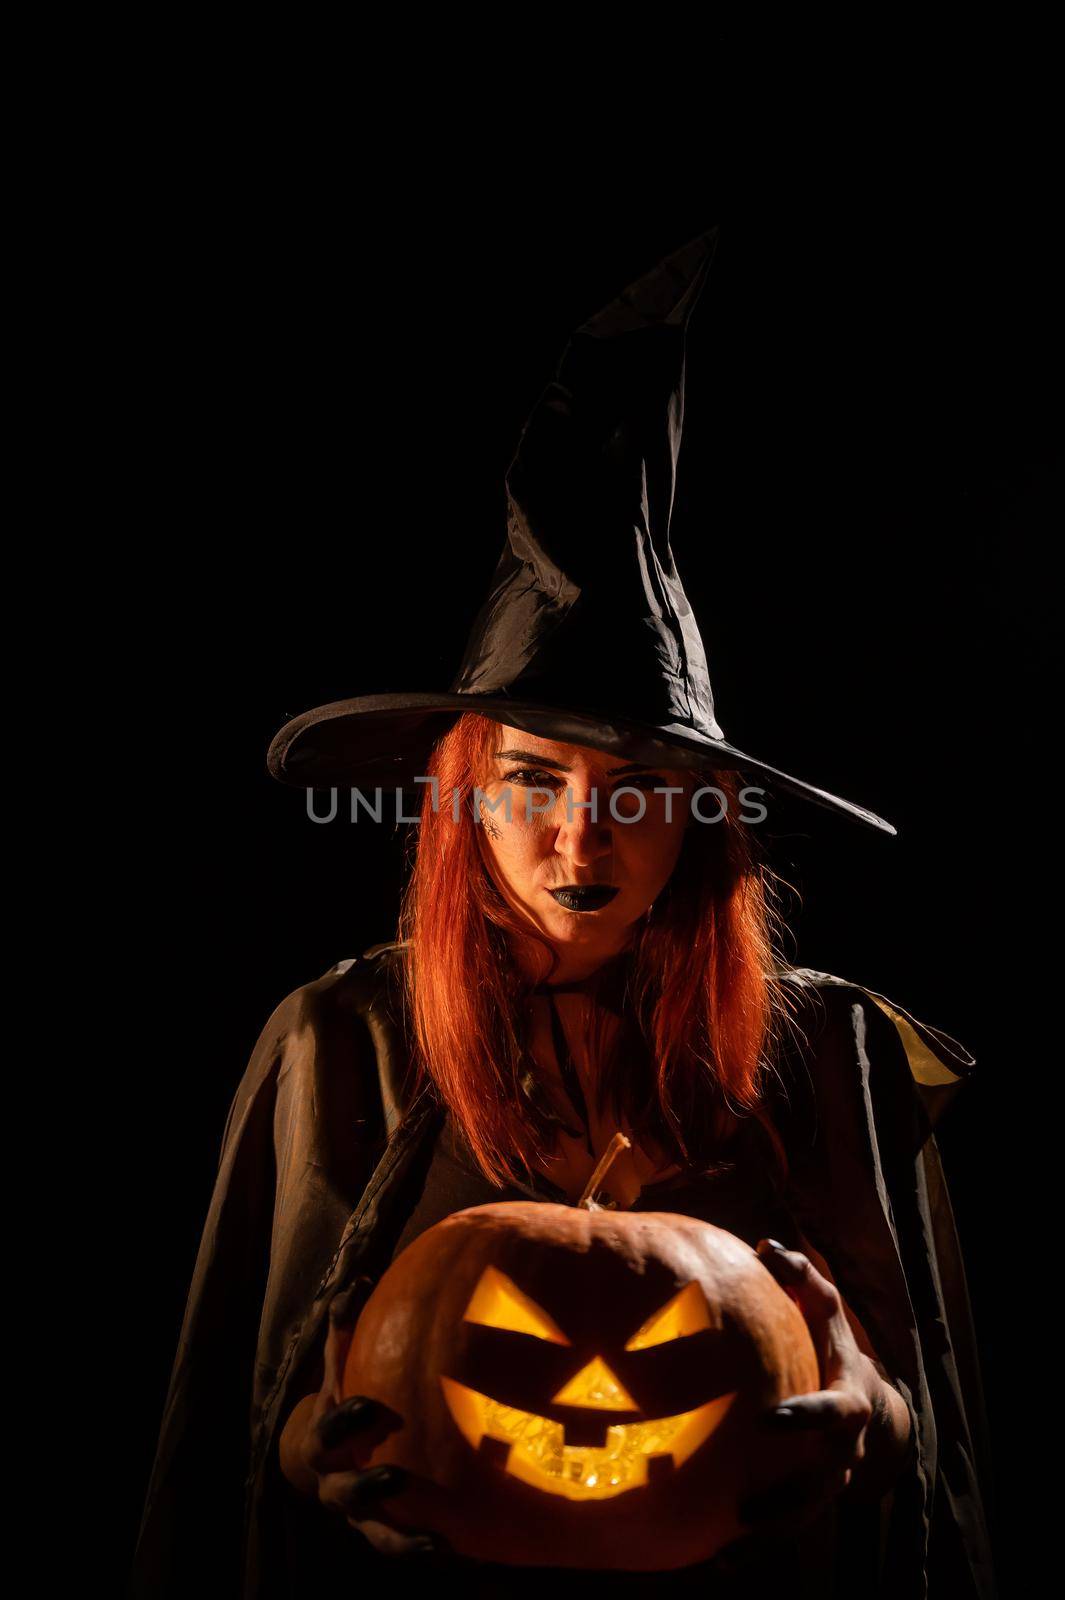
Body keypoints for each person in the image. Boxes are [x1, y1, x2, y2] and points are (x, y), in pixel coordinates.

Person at [132, 229, 996, 1597]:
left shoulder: (829, 1052)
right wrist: (310, 1447)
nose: (581, 834)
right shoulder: (337, 1035)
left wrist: (873, 1423)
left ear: (703, 821)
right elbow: (244, 1420)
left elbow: (926, 1433)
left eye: (639, 790)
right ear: (463, 803)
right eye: (531, 782)